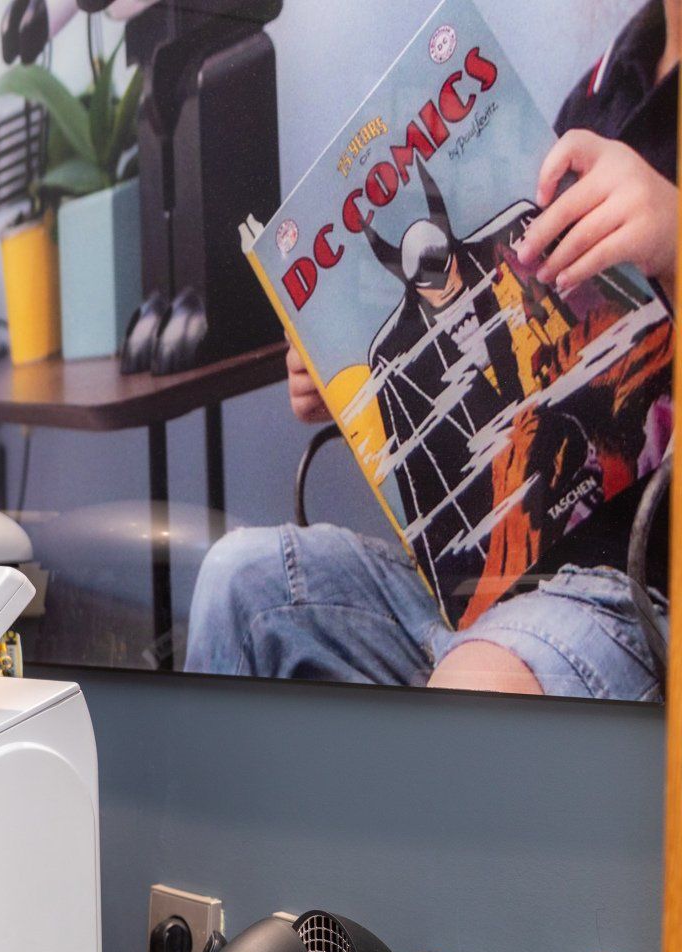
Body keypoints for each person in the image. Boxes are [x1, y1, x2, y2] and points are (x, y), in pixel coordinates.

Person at [186, 0, 676, 699]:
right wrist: (342, 379)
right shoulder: (599, 94)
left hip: (630, 591)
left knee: (475, 683)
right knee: (241, 583)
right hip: (488, 587)